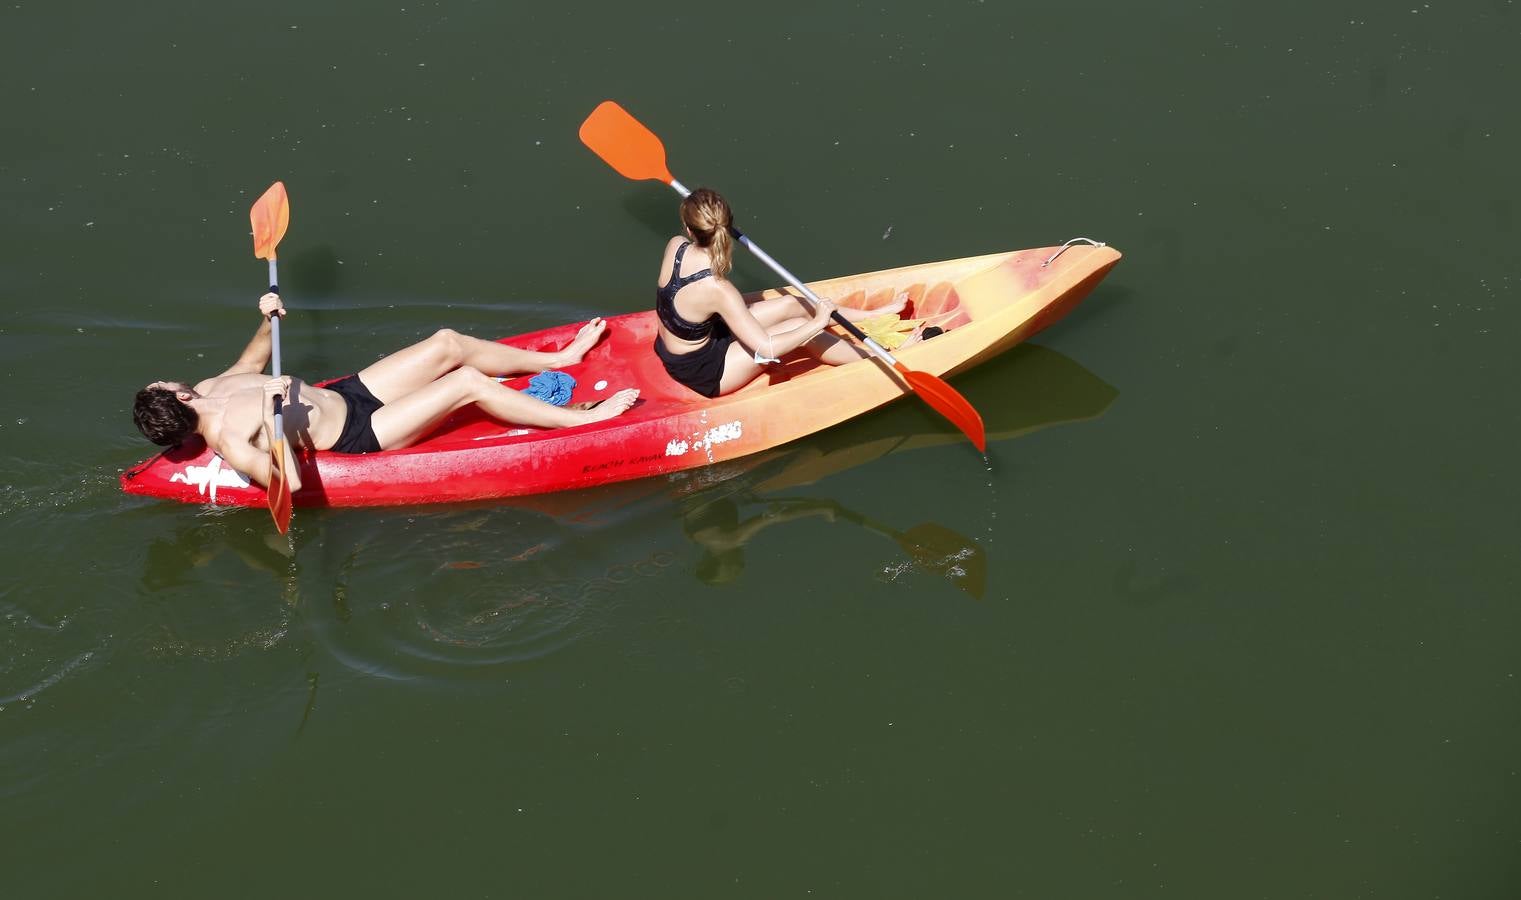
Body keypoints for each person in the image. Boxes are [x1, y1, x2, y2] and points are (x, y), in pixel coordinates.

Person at [133, 293, 639, 492]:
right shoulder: (230, 438)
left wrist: (266, 319)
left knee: (448, 343)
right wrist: (276, 423)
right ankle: (581, 421)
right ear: (178, 400)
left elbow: (250, 362)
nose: (168, 378)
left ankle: (559, 358)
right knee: (464, 383)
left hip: (352, 393)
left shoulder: (208, 387)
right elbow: (285, 484)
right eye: (163, 383)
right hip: (359, 431)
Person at [653, 187, 918, 398]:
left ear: (689, 229)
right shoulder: (719, 290)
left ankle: (871, 315)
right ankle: (881, 358)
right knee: (802, 327)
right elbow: (766, 348)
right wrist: (818, 322)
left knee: (791, 303)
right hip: (704, 370)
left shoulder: (676, 245)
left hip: (701, 336)